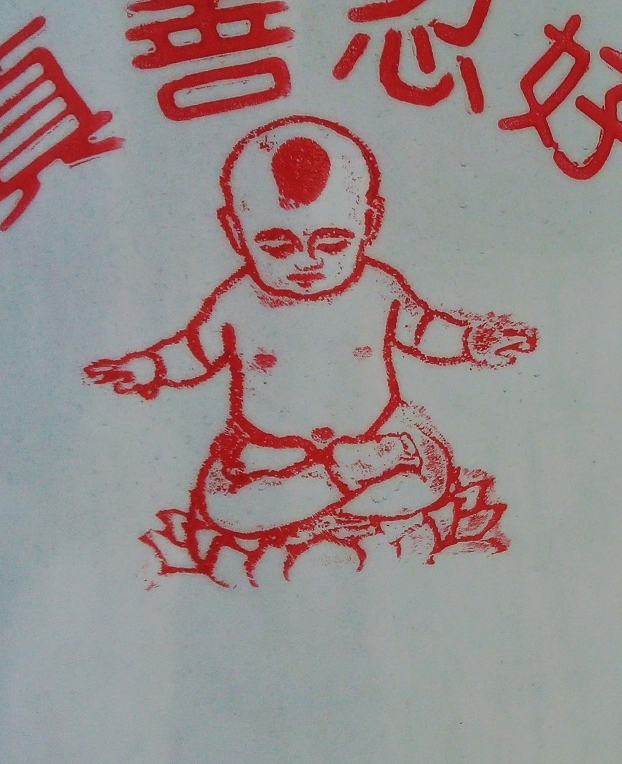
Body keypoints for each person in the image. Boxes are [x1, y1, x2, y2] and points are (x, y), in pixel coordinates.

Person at [84, 116, 538, 585]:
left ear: (369, 223)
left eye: (332, 242)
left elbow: (423, 331)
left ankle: (339, 492)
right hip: (271, 456)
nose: (307, 261)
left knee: (429, 476)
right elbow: (194, 353)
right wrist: (149, 368)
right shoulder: (237, 303)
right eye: (278, 246)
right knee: (229, 508)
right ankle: (339, 484)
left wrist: (473, 340)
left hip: (377, 440)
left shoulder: (379, 289)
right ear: (236, 233)